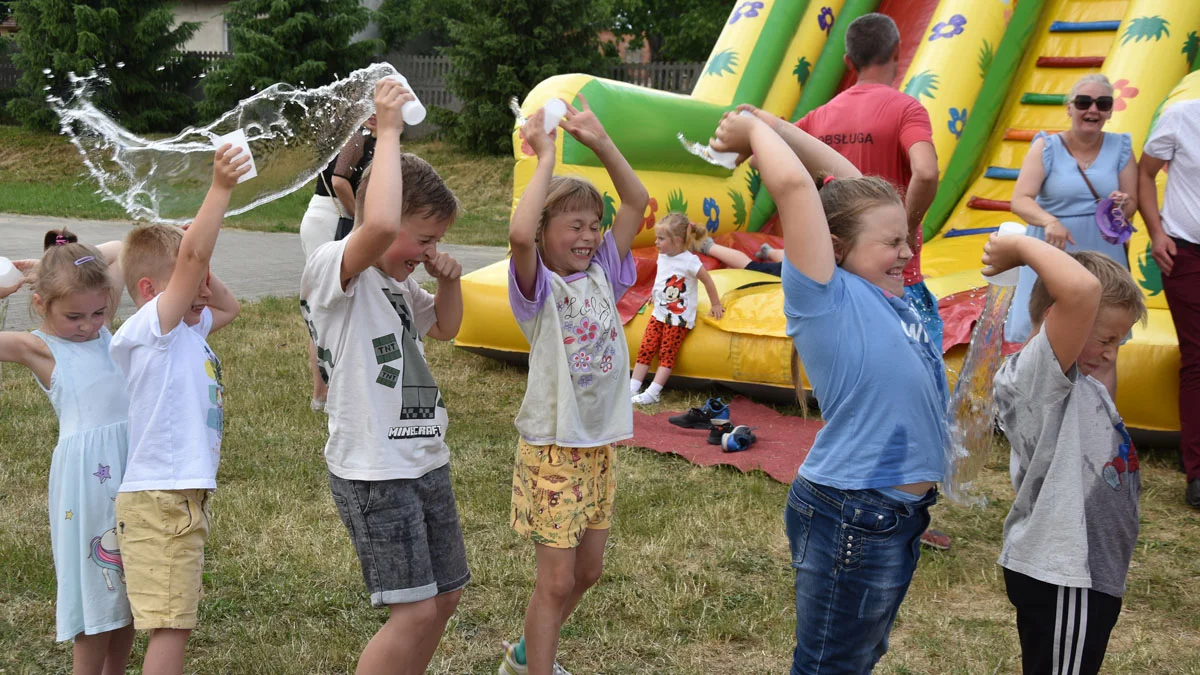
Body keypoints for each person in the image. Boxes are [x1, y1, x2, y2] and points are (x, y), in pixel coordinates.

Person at [712, 108, 947, 673]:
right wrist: (752, 136)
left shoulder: (887, 286)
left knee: (857, 655)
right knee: (829, 665)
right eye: (893, 242)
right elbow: (795, 187)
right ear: (837, 247)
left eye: (905, 239)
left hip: (898, 512)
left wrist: (773, 124)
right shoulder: (823, 295)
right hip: (854, 511)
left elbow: (847, 184)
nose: (907, 252)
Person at [299, 78, 467, 675]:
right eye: (422, 239)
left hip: (424, 458)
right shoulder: (336, 270)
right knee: (414, 611)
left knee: (443, 598)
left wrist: (447, 280)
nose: (427, 251)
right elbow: (376, 228)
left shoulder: (400, 285)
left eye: (435, 242)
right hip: (375, 471)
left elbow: (444, 329)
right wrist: (389, 130)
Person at [502, 97, 648, 675]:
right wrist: (547, 158)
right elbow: (518, 234)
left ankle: (523, 653)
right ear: (546, 233)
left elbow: (636, 201)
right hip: (552, 448)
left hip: (596, 445)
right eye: (575, 226)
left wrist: (602, 143)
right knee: (556, 581)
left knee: (586, 574)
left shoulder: (603, 274)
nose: (588, 235)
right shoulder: (537, 289)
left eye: (594, 225)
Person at [108, 146, 248, 675]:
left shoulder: (187, 327)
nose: (202, 290)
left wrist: (202, 259)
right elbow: (187, 264)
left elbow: (228, 306)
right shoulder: (155, 329)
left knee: (175, 621)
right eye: (192, 281)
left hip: (176, 496)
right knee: (171, 627)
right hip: (162, 498)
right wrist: (219, 191)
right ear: (149, 292)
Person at [988, 240, 1146, 675]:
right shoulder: (1037, 377)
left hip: (1087, 574)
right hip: (1063, 574)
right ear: (1061, 318)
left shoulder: (1083, 382)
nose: (1112, 351)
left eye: (1121, 339)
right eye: (1106, 338)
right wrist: (1018, 245)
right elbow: (1079, 292)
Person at [0, 230, 134, 674]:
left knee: (132, 592)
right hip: (89, 485)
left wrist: (59, 260)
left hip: (132, 471)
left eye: (99, 312)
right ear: (42, 304)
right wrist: (8, 283)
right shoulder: (39, 347)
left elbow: (123, 248)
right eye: (75, 315)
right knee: (99, 589)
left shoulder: (102, 332)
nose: (90, 324)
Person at [791, 12, 941, 349]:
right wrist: (909, 228)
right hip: (895, 276)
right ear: (897, 51)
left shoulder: (819, 116)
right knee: (924, 368)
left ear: (847, 61)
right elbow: (927, 172)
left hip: (840, 274)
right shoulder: (906, 109)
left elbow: (767, 156)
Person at [1008, 74, 1138, 368]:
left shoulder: (1122, 147)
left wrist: (1120, 204)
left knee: (1103, 340)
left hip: (1103, 250)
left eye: (1102, 104)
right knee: (1040, 333)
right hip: (1053, 247)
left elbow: (1131, 204)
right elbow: (1021, 199)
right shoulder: (1046, 147)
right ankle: (1030, 408)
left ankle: (1097, 412)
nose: (1093, 110)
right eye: (1084, 102)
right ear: (1069, 107)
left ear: (1110, 111)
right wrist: (1049, 220)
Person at [1138, 97, 1200, 508]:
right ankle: (1197, 472)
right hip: (1187, 252)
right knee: (1197, 357)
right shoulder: (1182, 115)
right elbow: (1144, 174)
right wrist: (1156, 233)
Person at [300, 115, 378, 412]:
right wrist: (363, 221)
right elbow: (339, 180)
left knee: (341, 304)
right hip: (329, 220)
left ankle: (337, 387)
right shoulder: (357, 134)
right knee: (325, 306)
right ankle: (322, 394)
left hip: (336, 219)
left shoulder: (376, 138)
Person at [630, 212, 724, 404]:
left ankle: (653, 392)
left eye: (661, 239)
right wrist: (653, 294)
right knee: (646, 347)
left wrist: (716, 303)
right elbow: (663, 277)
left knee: (666, 353)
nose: (656, 242)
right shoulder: (663, 255)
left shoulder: (690, 261)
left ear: (677, 241)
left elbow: (707, 280)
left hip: (677, 319)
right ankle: (633, 387)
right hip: (659, 313)